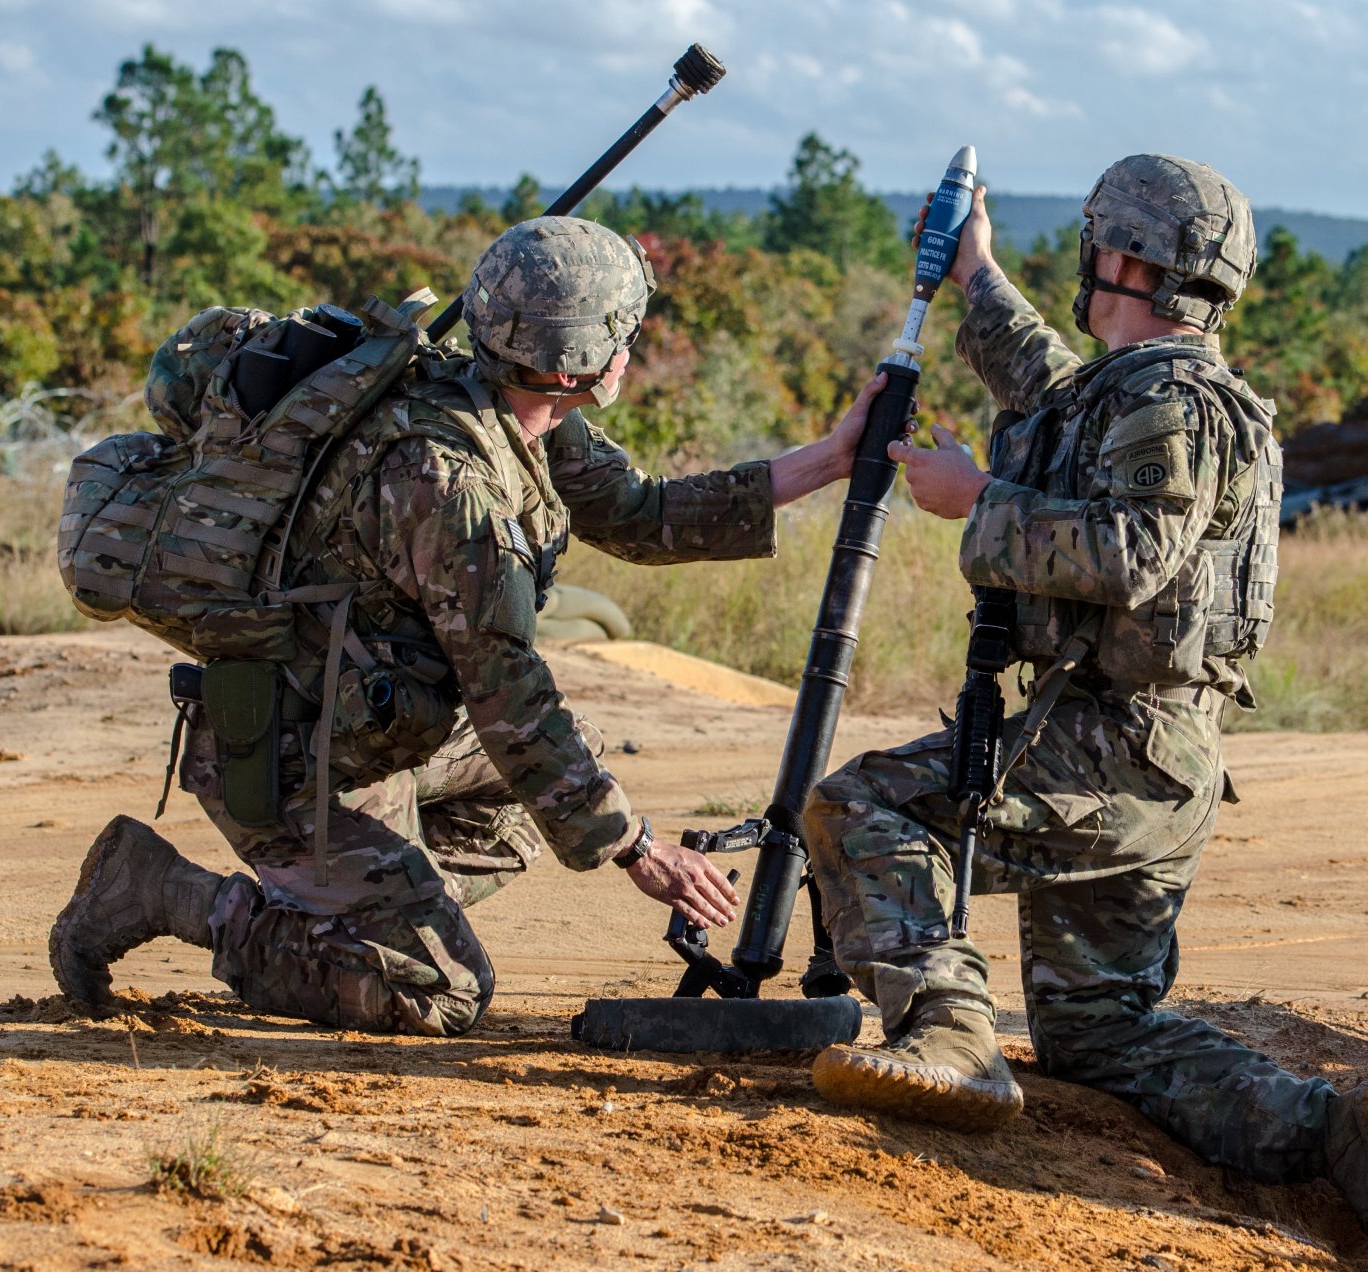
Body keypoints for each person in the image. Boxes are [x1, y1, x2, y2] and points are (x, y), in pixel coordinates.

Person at [801, 156, 1368, 1260]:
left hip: (1112, 746)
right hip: (1158, 754)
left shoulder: (1171, 402)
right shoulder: (1153, 387)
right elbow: (1051, 392)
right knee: (1101, 1034)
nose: (1089, 265)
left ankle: (949, 1034)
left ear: (1131, 260)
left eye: (1104, 246)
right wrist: (975, 272)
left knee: (862, 810)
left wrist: (978, 502)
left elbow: (1131, 555)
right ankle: (1324, 1127)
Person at [50, 216, 883, 1037]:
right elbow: (510, 701)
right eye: (623, 331)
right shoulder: (451, 490)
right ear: (580, 362)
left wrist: (832, 457)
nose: (633, 347)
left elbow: (642, 513)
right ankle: (166, 892)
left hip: (371, 730)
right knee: (440, 991)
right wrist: (636, 849)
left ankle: (355, 906)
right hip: (290, 755)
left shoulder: (509, 409)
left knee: (542, 786)